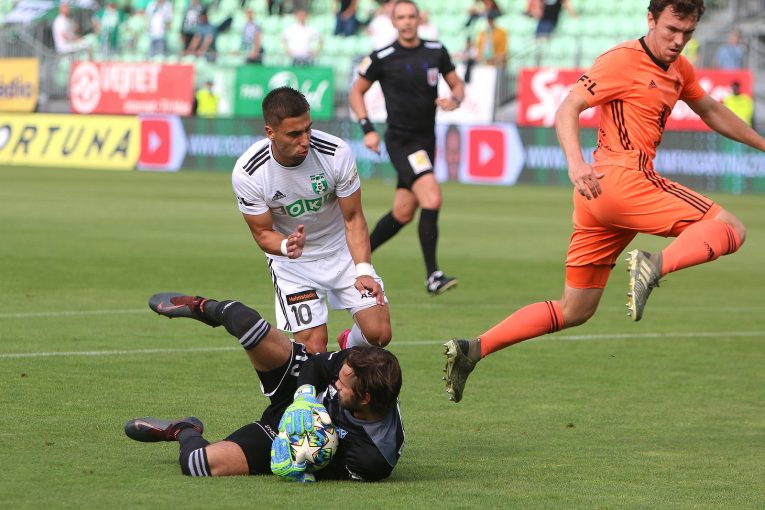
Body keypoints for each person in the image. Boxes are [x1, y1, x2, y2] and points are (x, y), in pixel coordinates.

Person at [443, 0, 765, 403]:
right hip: (620, 180)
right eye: (671, 30)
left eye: (687, 34)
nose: (678, 41)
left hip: (598, 200)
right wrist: (576, 163)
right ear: (651, 19)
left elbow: (712, 109)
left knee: (575, 309)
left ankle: (475, 348)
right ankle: (655, 263)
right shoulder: (621, 60)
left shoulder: (680, 69)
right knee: (731, 227)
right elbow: (568, 108)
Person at [126, 291, 404, 482]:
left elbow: (322, 465)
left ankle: (184, 429)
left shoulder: (374, 457)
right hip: (296, 394)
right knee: (243, 320)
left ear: (365, 398)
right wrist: (305, 398)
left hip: (283, 433)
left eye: (342, 385)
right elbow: (318, 366)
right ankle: (203, 307)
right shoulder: (364, 362)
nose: (337, 382)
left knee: (197, 464)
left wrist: (294, 458)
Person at [232, 86, 391, 354]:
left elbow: (353, 218)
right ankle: (323, 393)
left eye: (308, 129)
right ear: (270, 132)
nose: (305, 139)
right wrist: (286, 246)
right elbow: (262, 233)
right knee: (314, 348)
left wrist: (363, 269)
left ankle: (347, 347)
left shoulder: (335, 153)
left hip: (342, 253)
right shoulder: (250, 172)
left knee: (379, 334)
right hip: (294, 265)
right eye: (294, 134)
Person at [349, 0, 465, 296]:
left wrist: (454, 100)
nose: (407, 22)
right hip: (402, 141)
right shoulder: (383, 56)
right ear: (393, 21)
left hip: (426, 140)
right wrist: (368, 129)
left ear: (419, 19)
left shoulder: (436, 51)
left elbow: (457, 85)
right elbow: (356, 92)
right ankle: (433, 276)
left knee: (402, 212)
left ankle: (352, 261)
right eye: (401, 17)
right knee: (432, 197)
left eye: (411, 16)